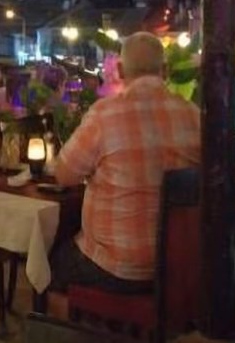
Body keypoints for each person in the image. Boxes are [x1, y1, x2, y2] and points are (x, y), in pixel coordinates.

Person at [47, 32, 201, 319]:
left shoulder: (105, 115)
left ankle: (77, 331)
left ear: (119, 70)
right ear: (165, 70)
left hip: (117, 269)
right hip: (178, 265)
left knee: (54, 264)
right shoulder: (193, 115)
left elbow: (64, 175)